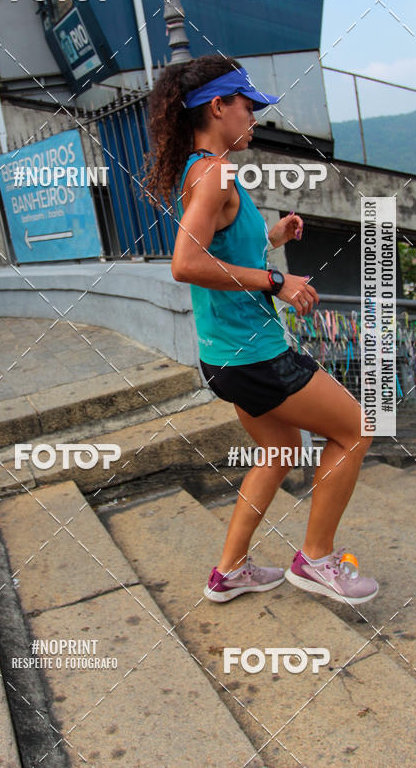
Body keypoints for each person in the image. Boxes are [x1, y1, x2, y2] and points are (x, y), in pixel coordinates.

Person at [142, 54, 378, 607]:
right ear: (218, 107)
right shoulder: (214, 174)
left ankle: (229, 571)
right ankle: (316, 559)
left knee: (280, 450)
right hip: (255, 356)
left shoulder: (209, 171)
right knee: (356, 429)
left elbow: (226, 249)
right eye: (248, 106)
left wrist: (273, 237)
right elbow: (186, 264)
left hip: (226, 356)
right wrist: (277, 280)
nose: (255, 117)